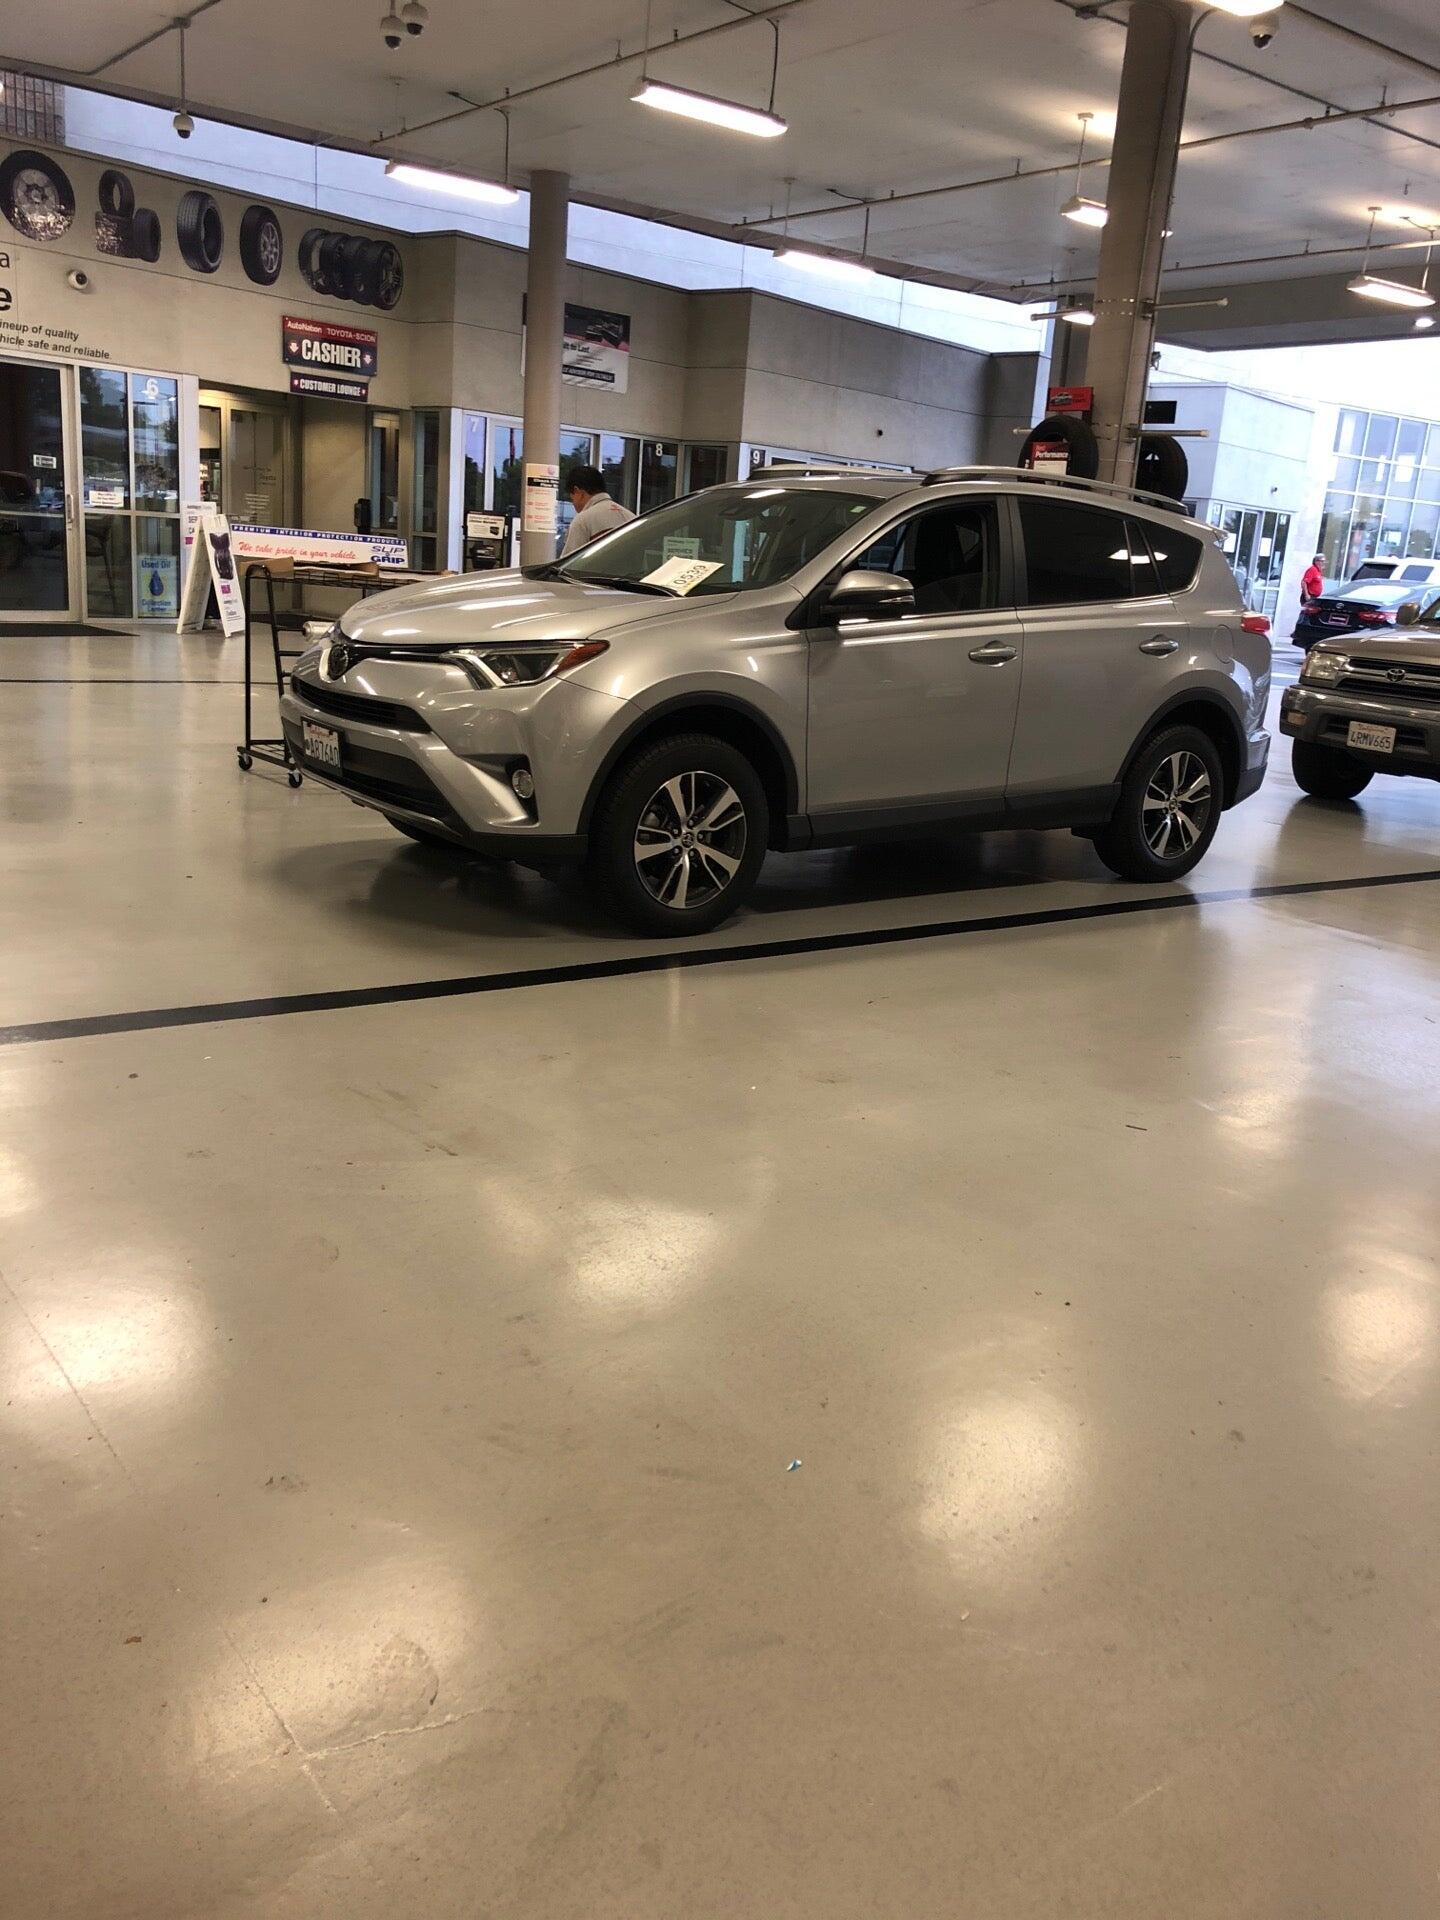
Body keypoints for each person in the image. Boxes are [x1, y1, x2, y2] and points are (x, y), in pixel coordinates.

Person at [560, 465, 635, 555]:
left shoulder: (583, 521)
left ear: (577, 491)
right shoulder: (632, 518)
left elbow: (570, 561)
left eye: (572, 498)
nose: (573, 504)